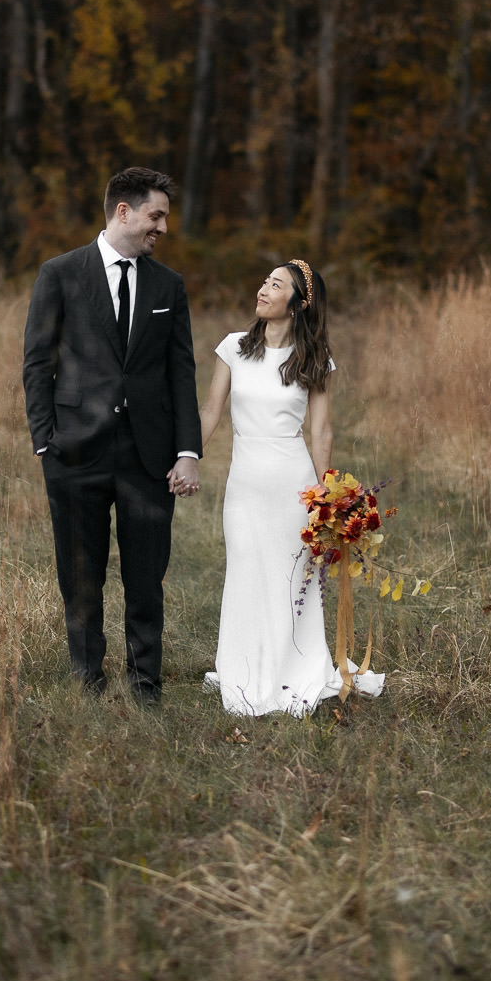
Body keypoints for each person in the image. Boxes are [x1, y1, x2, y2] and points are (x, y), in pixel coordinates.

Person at [22, 168, 203, 703]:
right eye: (156, 215)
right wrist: (44, 440)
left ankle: (147, 681)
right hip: (75, 450)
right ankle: (87, 678)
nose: (163, 228)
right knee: (81, 572)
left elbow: (182, 372)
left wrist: (188, 450)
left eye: (164, 217)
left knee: (146, 574)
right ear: (123, 212)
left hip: (150, 456)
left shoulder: (169, 285)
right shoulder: (60, 274)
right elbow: (37, 362)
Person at [197, 260, 385, 716]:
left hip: (292, 483)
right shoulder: (234, 348)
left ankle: (290, 667)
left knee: (291, 578)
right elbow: (209, 414)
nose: (262, 289)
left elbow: (321, 432)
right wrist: (185, 458)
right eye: (264, 280)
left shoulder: (314, 361)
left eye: (275, 284)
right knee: (245, 569)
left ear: (297, 303)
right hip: (245, 483)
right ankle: (244, 667)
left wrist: (328, 500)